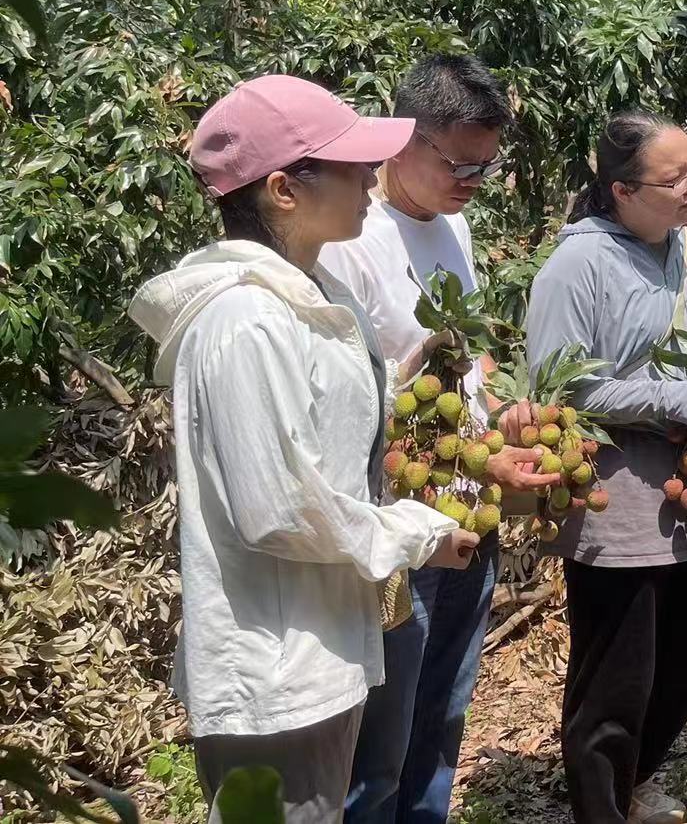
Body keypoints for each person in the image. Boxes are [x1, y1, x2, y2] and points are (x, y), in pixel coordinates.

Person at [130, 75, 478, 824]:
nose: (367, 182)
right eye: (350, 167)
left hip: (325, 650)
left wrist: (404, 372)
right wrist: (416, 531)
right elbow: (280, 509)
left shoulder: (316, 297)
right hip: (275, 677)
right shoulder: (244, 321)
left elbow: (327, 414)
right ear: (284, 190)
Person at [321, 55, 559, 824]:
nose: (472, 181)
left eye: (486, 167)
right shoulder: (347, 241)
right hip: (399, 524)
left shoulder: (453, 225)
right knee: (382, 731)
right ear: (400, 140)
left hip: (469, 506)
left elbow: (474, 358)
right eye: (458, 162)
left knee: (444, 706)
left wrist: (504, 425)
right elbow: (343, 399)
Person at [526, 111, 687, 824]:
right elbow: (560, 388)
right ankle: (601, 807)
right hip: (620, 511)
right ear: (620, 191)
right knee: (615, 684)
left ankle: (636, 780)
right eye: (673, 177)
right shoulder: (577, 265)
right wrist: (672, 396)